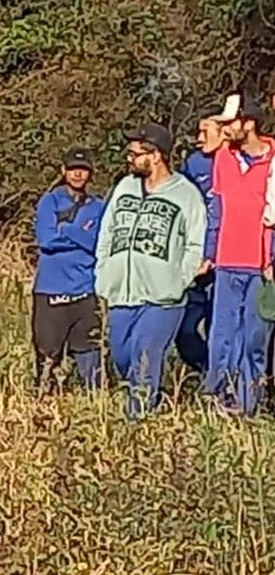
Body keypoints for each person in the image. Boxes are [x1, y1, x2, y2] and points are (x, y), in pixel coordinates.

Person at [94, 123, 207, 418]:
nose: (129, 159)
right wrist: (102, 272)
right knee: (122, 357)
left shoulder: (186, 194)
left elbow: (196, 241)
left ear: (156, 156)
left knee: (146, 356)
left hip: (163, 297)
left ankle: (139, 421)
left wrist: (181, 279)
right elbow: (107, 232)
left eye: (136, 154)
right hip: (121, 292)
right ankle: (148, 402)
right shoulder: (125, 187)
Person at [204, 94, 275, 416]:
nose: (226, 128)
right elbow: (216, 210)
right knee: (222, 334)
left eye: (231, 122)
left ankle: (249, 404)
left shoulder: (274, 158)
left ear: (249, 123)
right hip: (227, 261)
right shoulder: (223, 158)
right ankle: (219, 396)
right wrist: (210, 252)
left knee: (255, 337)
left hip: (262, 265)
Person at [31, 148, 105, 391]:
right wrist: (82, 235)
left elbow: (99, 243)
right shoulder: (49, 201)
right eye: (73, 169)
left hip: (85, 289)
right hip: (51, 290)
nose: (77, 174)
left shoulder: (99, 206)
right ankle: (44, 405)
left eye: (82, 170)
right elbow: (46, 240)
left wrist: (67, 229)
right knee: (47, 356)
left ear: (90, 174)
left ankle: (95, 406)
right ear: (64, 171)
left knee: (90, 353)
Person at [177, 115, 224, 374]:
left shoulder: (240, 162)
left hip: (230, 261)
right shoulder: (195, 164)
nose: (199, 138)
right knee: (185, 330)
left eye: (206, 131)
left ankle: (222, 381)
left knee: (221, 327)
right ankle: (207, 369)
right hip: (197, 263)